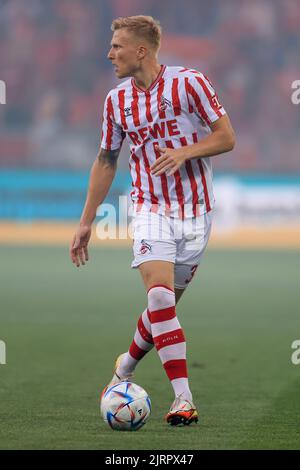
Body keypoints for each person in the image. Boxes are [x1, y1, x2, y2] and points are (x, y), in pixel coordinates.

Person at [70, 15, 235, 426]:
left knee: (162, 307)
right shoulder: (115, 101)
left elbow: (226, 137)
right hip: (149, 208)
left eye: (117, 47)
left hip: (196, 212)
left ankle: (125, 365)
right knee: (160, 298)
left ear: (141, 50)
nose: (110, 54)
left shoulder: (189, 83)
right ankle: (184, 400)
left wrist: (185, 152)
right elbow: (106, 160)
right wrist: (86, 221)